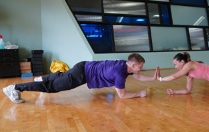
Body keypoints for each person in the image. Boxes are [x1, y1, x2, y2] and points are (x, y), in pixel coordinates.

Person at [2, 53, 157, 103]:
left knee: (62, 75)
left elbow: (138, 76)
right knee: (52, 88)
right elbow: (122, 95)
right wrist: (139, 94)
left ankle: (42, 78)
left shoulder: (124, 64)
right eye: (140, 66)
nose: (141, 68)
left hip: (83, 66)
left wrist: (153, 78)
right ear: (133, 65)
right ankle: (15, 88)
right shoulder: (120, 73)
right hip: (81, 74)